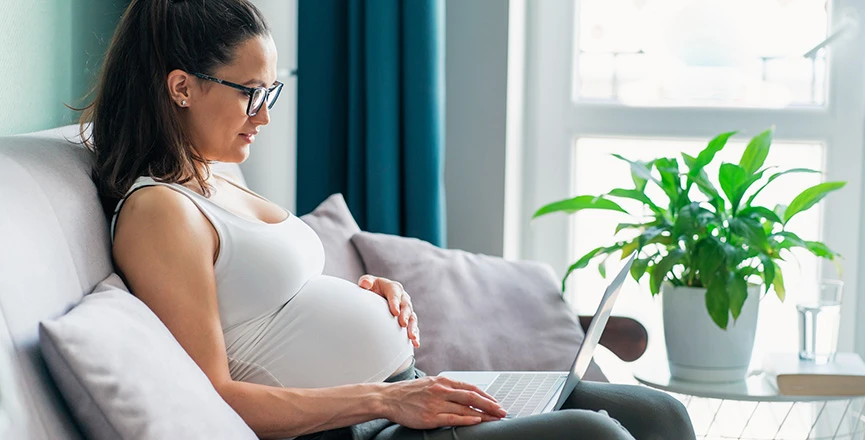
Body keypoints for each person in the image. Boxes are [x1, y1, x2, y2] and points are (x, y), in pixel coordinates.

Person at [79, 1, 695, 439]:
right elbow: (215, 394)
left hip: (407, 393)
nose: (263, 117)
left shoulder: (212, 172)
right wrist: (390, 398)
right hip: (367, 426)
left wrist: (367, 296)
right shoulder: (158, 211)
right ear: (181, 87)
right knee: (594, 435)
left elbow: (262, 307)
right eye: (249, 93)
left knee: (661, 416)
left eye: (271, 92)